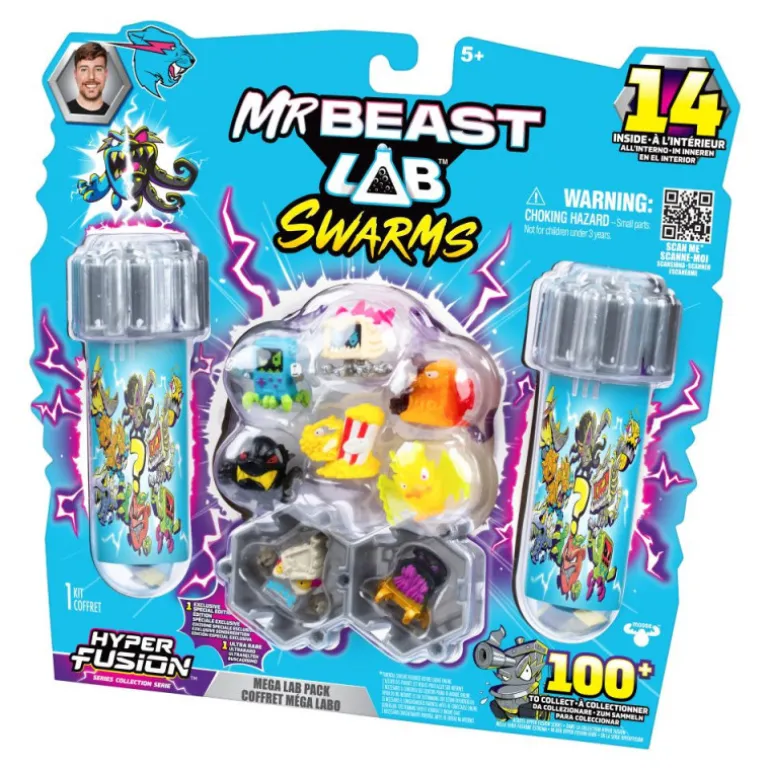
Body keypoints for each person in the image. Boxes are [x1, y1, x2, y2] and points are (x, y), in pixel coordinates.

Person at [67, 42, 111, 116]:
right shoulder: (62, 112)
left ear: (106, 74)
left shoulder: (117, 115)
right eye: (84, 69)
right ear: (75, 74)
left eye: (98, 69)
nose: (91, 77)